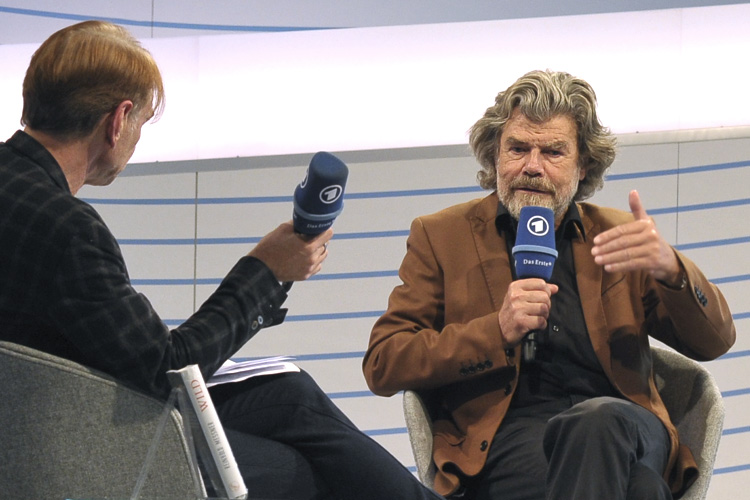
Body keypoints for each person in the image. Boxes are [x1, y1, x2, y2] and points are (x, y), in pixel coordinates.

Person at [0, 20, 445, 500]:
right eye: (142, 125)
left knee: (290, 395)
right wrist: (267, 270)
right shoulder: (70, 231)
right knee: (298, 471)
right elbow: (167, 369)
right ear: (117, 121)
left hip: (40, 414)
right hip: (76, 439)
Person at [363, 69, 736, 500]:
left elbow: (715, 342)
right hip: (513, 438)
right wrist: (495, 330)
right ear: (494, 156)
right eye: (517, 149)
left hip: (627, 425)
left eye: (553, 152)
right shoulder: (442, 236)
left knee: (597, 422)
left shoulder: (619, 236)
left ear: (583, 165)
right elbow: (384, 362)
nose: (532, 167)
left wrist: (673, 270)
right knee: (643, 489)